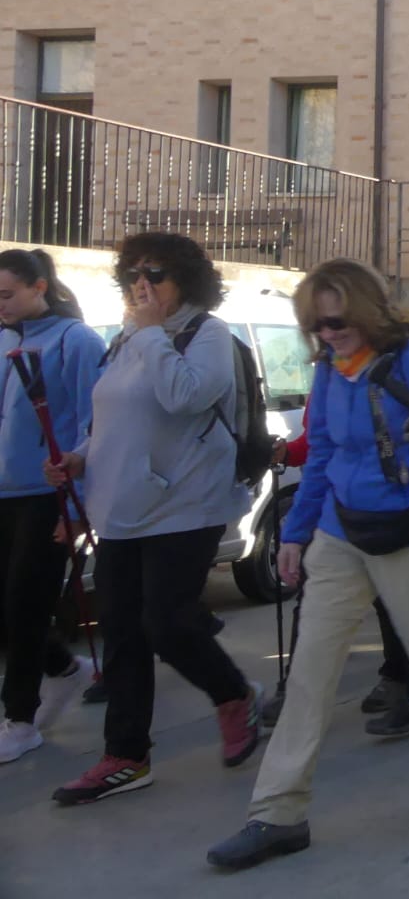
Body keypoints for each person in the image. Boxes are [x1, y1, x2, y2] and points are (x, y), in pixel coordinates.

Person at [206, 259, 409, 870]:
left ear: (367, 310)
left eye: (339, 320)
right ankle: (277, 813)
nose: (328, 332)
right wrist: (295, 534)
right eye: (316, 324)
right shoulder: (330, 370)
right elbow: (320, 455)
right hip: (340, 536)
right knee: (311, 671)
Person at [46, 233, 262, 804]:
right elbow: (112, 414)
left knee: (167, 624)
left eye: (156, 273)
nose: (142, 284)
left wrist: (149, 335)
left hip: (184, 505)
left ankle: (233, 695)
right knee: (120, 635)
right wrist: (79, 456)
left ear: (185, 280)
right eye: (132, 275)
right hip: (121, 509)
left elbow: (184, 397)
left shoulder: (206, 335)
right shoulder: (126, 339)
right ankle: (125, 756)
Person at [0, 249, 102, 765]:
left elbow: (94, 425)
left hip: (46, 496)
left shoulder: (77, 340)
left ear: (40, 286)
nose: (1, 305)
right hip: (2, 494)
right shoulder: (1, 339)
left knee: (26, 605)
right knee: (7, 607)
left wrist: (81, 505)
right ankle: (63, 668)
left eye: (8, 294)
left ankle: (19, 719)